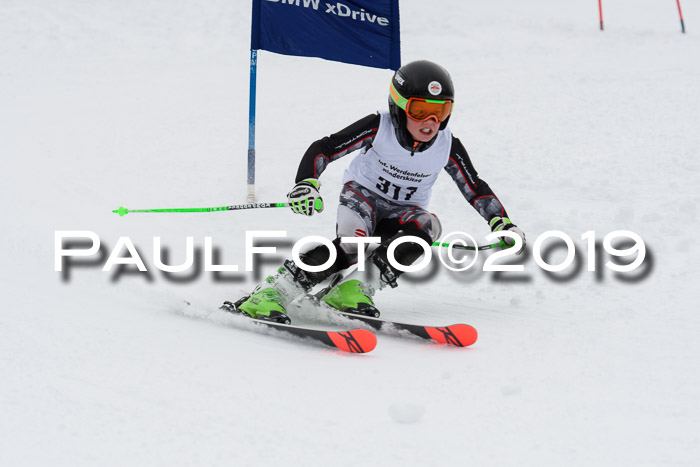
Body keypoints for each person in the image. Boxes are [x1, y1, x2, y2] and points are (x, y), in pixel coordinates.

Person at [229, 60, 525, 323]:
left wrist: (501, 223)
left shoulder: (448, 145)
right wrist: (307, 182)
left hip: (402, 212)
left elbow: (475, 187)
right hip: (362, 198)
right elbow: (325, 148)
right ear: (399, 107)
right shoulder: (378, 127)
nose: (430, 122)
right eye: (420, 110)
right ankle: (272, 292)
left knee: (428, 227)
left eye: (440, 111)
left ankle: (353, 288)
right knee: (352, 247)